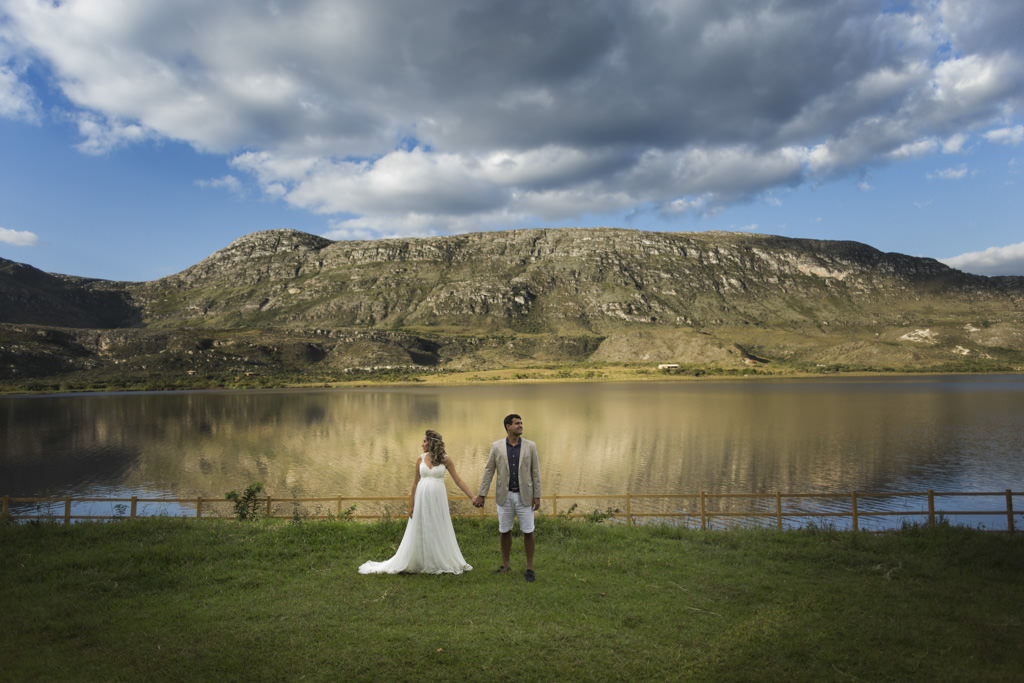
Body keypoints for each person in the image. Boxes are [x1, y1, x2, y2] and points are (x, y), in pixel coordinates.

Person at [359, 429, 475, 575]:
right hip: (422, 499)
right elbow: (415, 483)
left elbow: (458, 480)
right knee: (421, 526)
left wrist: (472, 497)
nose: (422, 444)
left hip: (438, 500)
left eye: (424, 441)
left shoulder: (446, 460)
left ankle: (438, 559)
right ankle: (419, 560)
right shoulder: (420, 459)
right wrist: (412, 505)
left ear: (432, 443)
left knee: (437, 526)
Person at [472, 413, 541, 582]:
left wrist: (537, 496)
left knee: (528, 531)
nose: (520, 426)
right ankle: (505, 565)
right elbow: (489, 471)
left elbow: (535, 472)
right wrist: (482, 494)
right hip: (505, 496)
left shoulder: (531, 446)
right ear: (507, 426)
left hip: (525, 496)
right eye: (517, 423)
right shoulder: (496, 447)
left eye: (521, 423)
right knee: (504, 531)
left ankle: (529, 568)